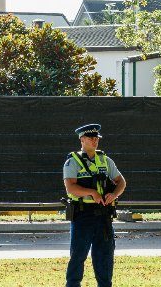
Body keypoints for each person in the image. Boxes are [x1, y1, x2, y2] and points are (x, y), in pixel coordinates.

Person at [63, 123, 126, 287]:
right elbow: (71, 187)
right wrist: (92, 192)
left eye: (96, 138)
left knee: (104, 255)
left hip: (104, 215)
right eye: (91, 138)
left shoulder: (105, 160)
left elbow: (121, 182)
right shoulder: (72, 162)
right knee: (78, 255)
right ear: (82, 139)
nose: (95, 141)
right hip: (83, 215)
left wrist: (114, 194)